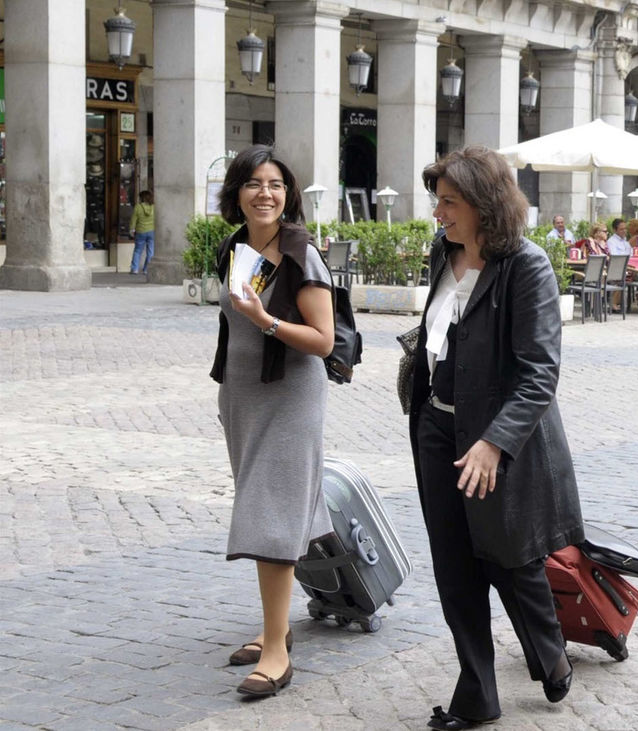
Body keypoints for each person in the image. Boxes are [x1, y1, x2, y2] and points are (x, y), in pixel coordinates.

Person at [412, 146, 584, 730]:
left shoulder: (526, 266)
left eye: (450, 202)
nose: (439, 213)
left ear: (485, 206)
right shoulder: (444, 251)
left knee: (511, 558)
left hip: (496, 439)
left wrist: (494, 441)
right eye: (438, 200)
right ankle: (476, 694)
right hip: (437, 428)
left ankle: (551, 656)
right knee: (454, 564)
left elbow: (540, 371)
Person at [209, 145, 336, 698]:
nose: (265, 192)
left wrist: (267, 321)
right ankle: (273, 629)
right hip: (243, 397)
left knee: (271, 514)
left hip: (289, 397)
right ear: (236, 193)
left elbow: (323, 341)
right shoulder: (235, 248)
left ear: (289, 195)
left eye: (276, 184)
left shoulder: (300, 252)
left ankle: (279, 655)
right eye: (254, 183)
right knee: (272, 507)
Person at [129, 190, 156, 275]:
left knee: (137, 251)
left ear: (142, 198)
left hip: (141, 231)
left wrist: (132, 229)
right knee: (151, 251)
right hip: (151, 231)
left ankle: (135, 269)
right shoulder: (153, 207)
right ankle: (146, 269)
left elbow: (133, 220)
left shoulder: (138, 207)